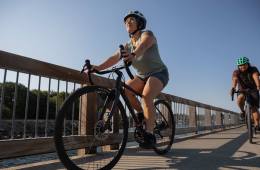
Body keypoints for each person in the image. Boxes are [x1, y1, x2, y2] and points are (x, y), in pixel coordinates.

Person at [91, 10, 169, 148]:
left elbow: (144, 45)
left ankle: (149, 134)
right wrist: (98, 68)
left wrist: (133, 54)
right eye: (126, 21)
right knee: (125, 90)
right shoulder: (127, 44)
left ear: (139, 23)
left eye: (132, 19)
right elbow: (114, 57)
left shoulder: (147, 34)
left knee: (146, 97)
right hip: (142, 76)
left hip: (159, 73)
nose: (128, 22)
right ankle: (142, 114)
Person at [230, 56, 260, 131]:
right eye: (240, 65)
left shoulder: (253, 69)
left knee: (254, 108)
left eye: (244, 64)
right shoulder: (236, 72)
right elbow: (235, 79)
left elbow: (255, 76)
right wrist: (233, 88)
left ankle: (257, 124)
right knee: (240, 98)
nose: (242, 66)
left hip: (253, 89)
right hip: (242, 90)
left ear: (248, 64)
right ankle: (242, 112)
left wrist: (258, 86)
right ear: (238, 66)